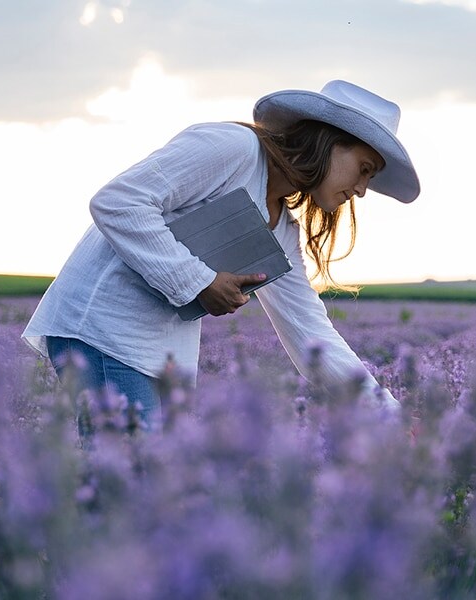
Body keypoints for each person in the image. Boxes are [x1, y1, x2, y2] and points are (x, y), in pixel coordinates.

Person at [21, 80, 419, 429]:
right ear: (330, 142)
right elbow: (119, 202)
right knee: (129, 487)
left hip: (159, 352)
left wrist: (391, 417)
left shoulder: (281, 226)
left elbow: (310, 333)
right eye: (363, 168)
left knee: (148, 493)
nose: (363, 189)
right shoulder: (235, 149)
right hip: (104, 327)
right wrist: (200, 282)